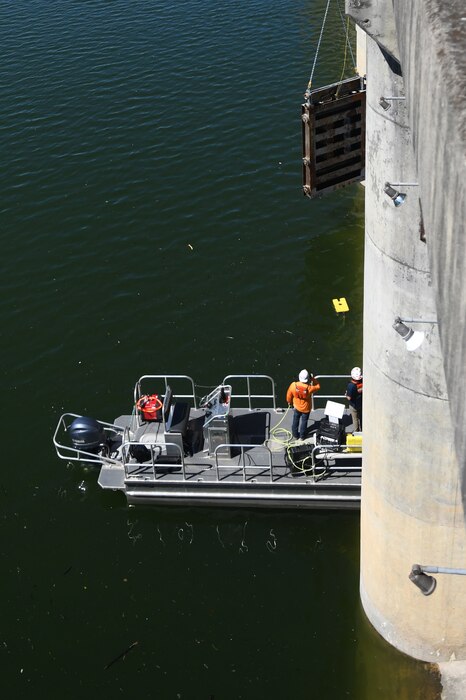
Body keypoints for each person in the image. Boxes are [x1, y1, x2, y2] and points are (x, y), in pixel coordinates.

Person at [286, 369, 321, 441]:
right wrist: (313, 379)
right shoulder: (309, 388)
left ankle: (295, 435)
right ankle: (302, 436)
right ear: (307, 378)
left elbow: (289, 395)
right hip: (306, 408)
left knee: (295, 420)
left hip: (296, 407)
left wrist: (289, 402)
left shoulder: (293, 385)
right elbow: (318, 386)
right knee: (304, 422)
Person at [346, 367, 363, 432]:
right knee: (361, 417)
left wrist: (346, 395)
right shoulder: (362, 382)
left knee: (355, 419)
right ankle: (362, 430)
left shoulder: (351, 386)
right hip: (361, 403)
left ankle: (356, 432)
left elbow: (349, 397)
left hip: (354, 405)